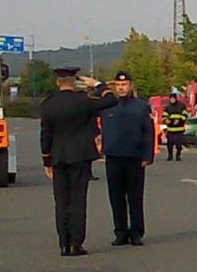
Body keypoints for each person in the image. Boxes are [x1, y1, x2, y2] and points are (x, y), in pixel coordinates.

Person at [40, 67, 119, 256]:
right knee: (77, 200)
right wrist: (98, 85)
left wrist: (47, 160)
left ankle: (63, 244)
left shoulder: (48, 104)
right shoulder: (83, 100)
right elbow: (111, 100)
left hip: (58, 157)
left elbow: (45, 134)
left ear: (57, 82)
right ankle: (76, 243)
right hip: (80, 156)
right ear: (74, 82)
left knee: (61, 202)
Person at [100, 70, 155, 247]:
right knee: (116, 197)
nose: (121, 88)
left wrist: (148, 155)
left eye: (124, 85)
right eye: (118, 85)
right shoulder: (108, 106)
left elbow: (148, 132)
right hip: (113, 156)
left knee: (135, 197)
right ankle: (120, 232)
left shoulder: (141, 106)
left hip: (135, 157)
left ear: (131, 86)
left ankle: (136, 232)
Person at [162, 92, 188, 161]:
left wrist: (179, 120)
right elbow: (164, 117)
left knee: (179, 145)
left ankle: (178, 156)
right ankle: (170, 155)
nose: (172, 100)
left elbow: (185, 115)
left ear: (176, 99)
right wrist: (169, 121)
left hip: (179, 129)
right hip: (170, 129)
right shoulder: (167, 107)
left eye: (173, 98)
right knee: (169, 145)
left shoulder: (181, 106)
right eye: (171, 99)